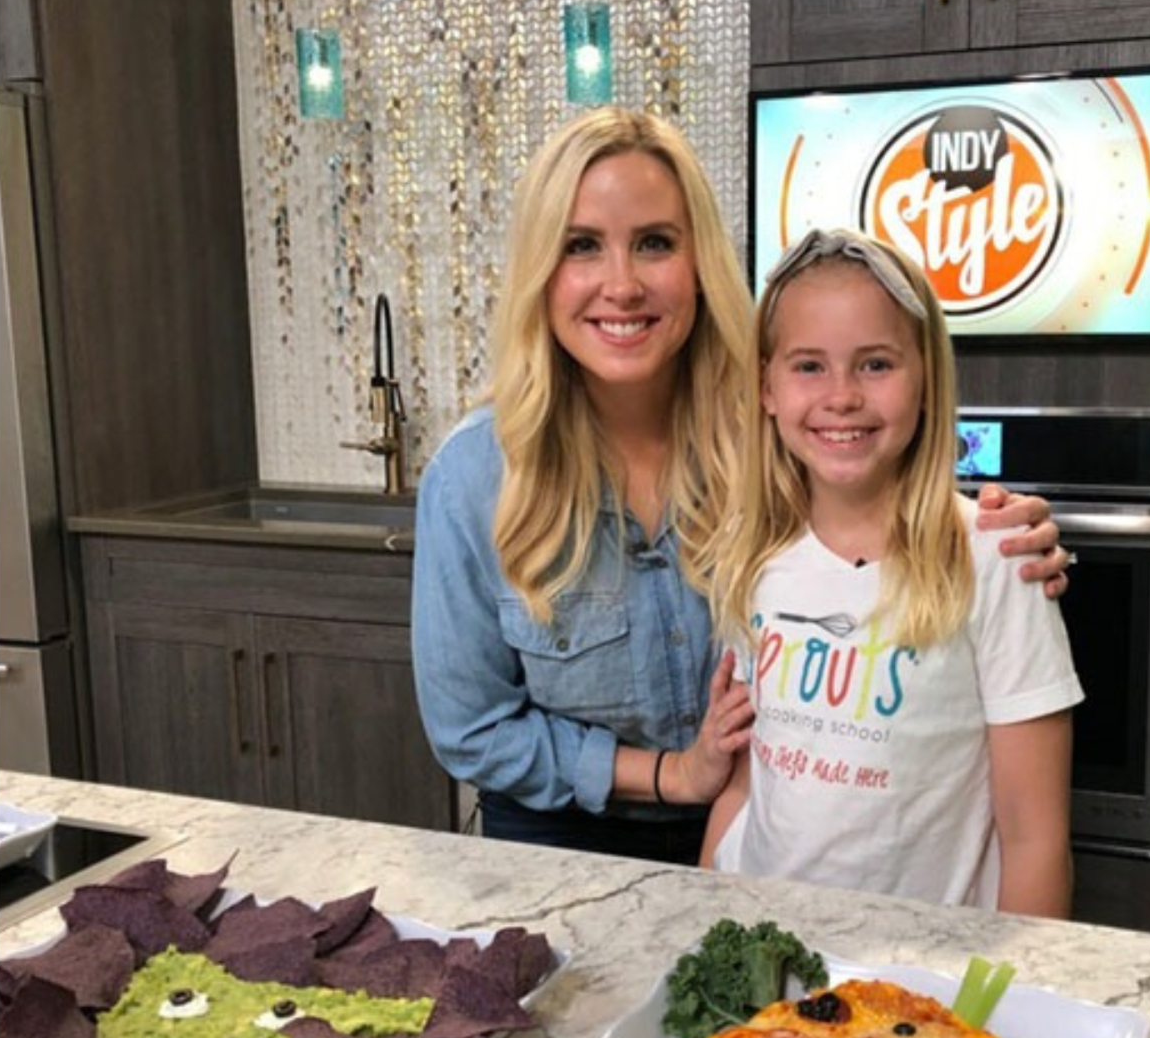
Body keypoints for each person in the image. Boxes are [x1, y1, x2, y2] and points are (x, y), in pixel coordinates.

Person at [412, 108, 1070, 866]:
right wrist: (669, 774)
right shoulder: (473, 480)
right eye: (581, 246)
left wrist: (1005, 538)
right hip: (557, 840)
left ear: (700, 262)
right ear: (539, 270)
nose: (621, 285)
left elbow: (890, 508)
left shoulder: (772, 431)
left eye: (655, 243)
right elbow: (472, 729)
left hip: (759, 832)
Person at [703, 229, 1084, 914]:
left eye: (876, 364)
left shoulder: (994, 558)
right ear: (765, 387)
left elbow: (1035, 840)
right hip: (766, 951)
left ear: (928, 381)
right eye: (808, 366)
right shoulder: (750, 553)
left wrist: (1023, 1003)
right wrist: (701, 928)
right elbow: (742, 787)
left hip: (916, 977)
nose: (842, 395)